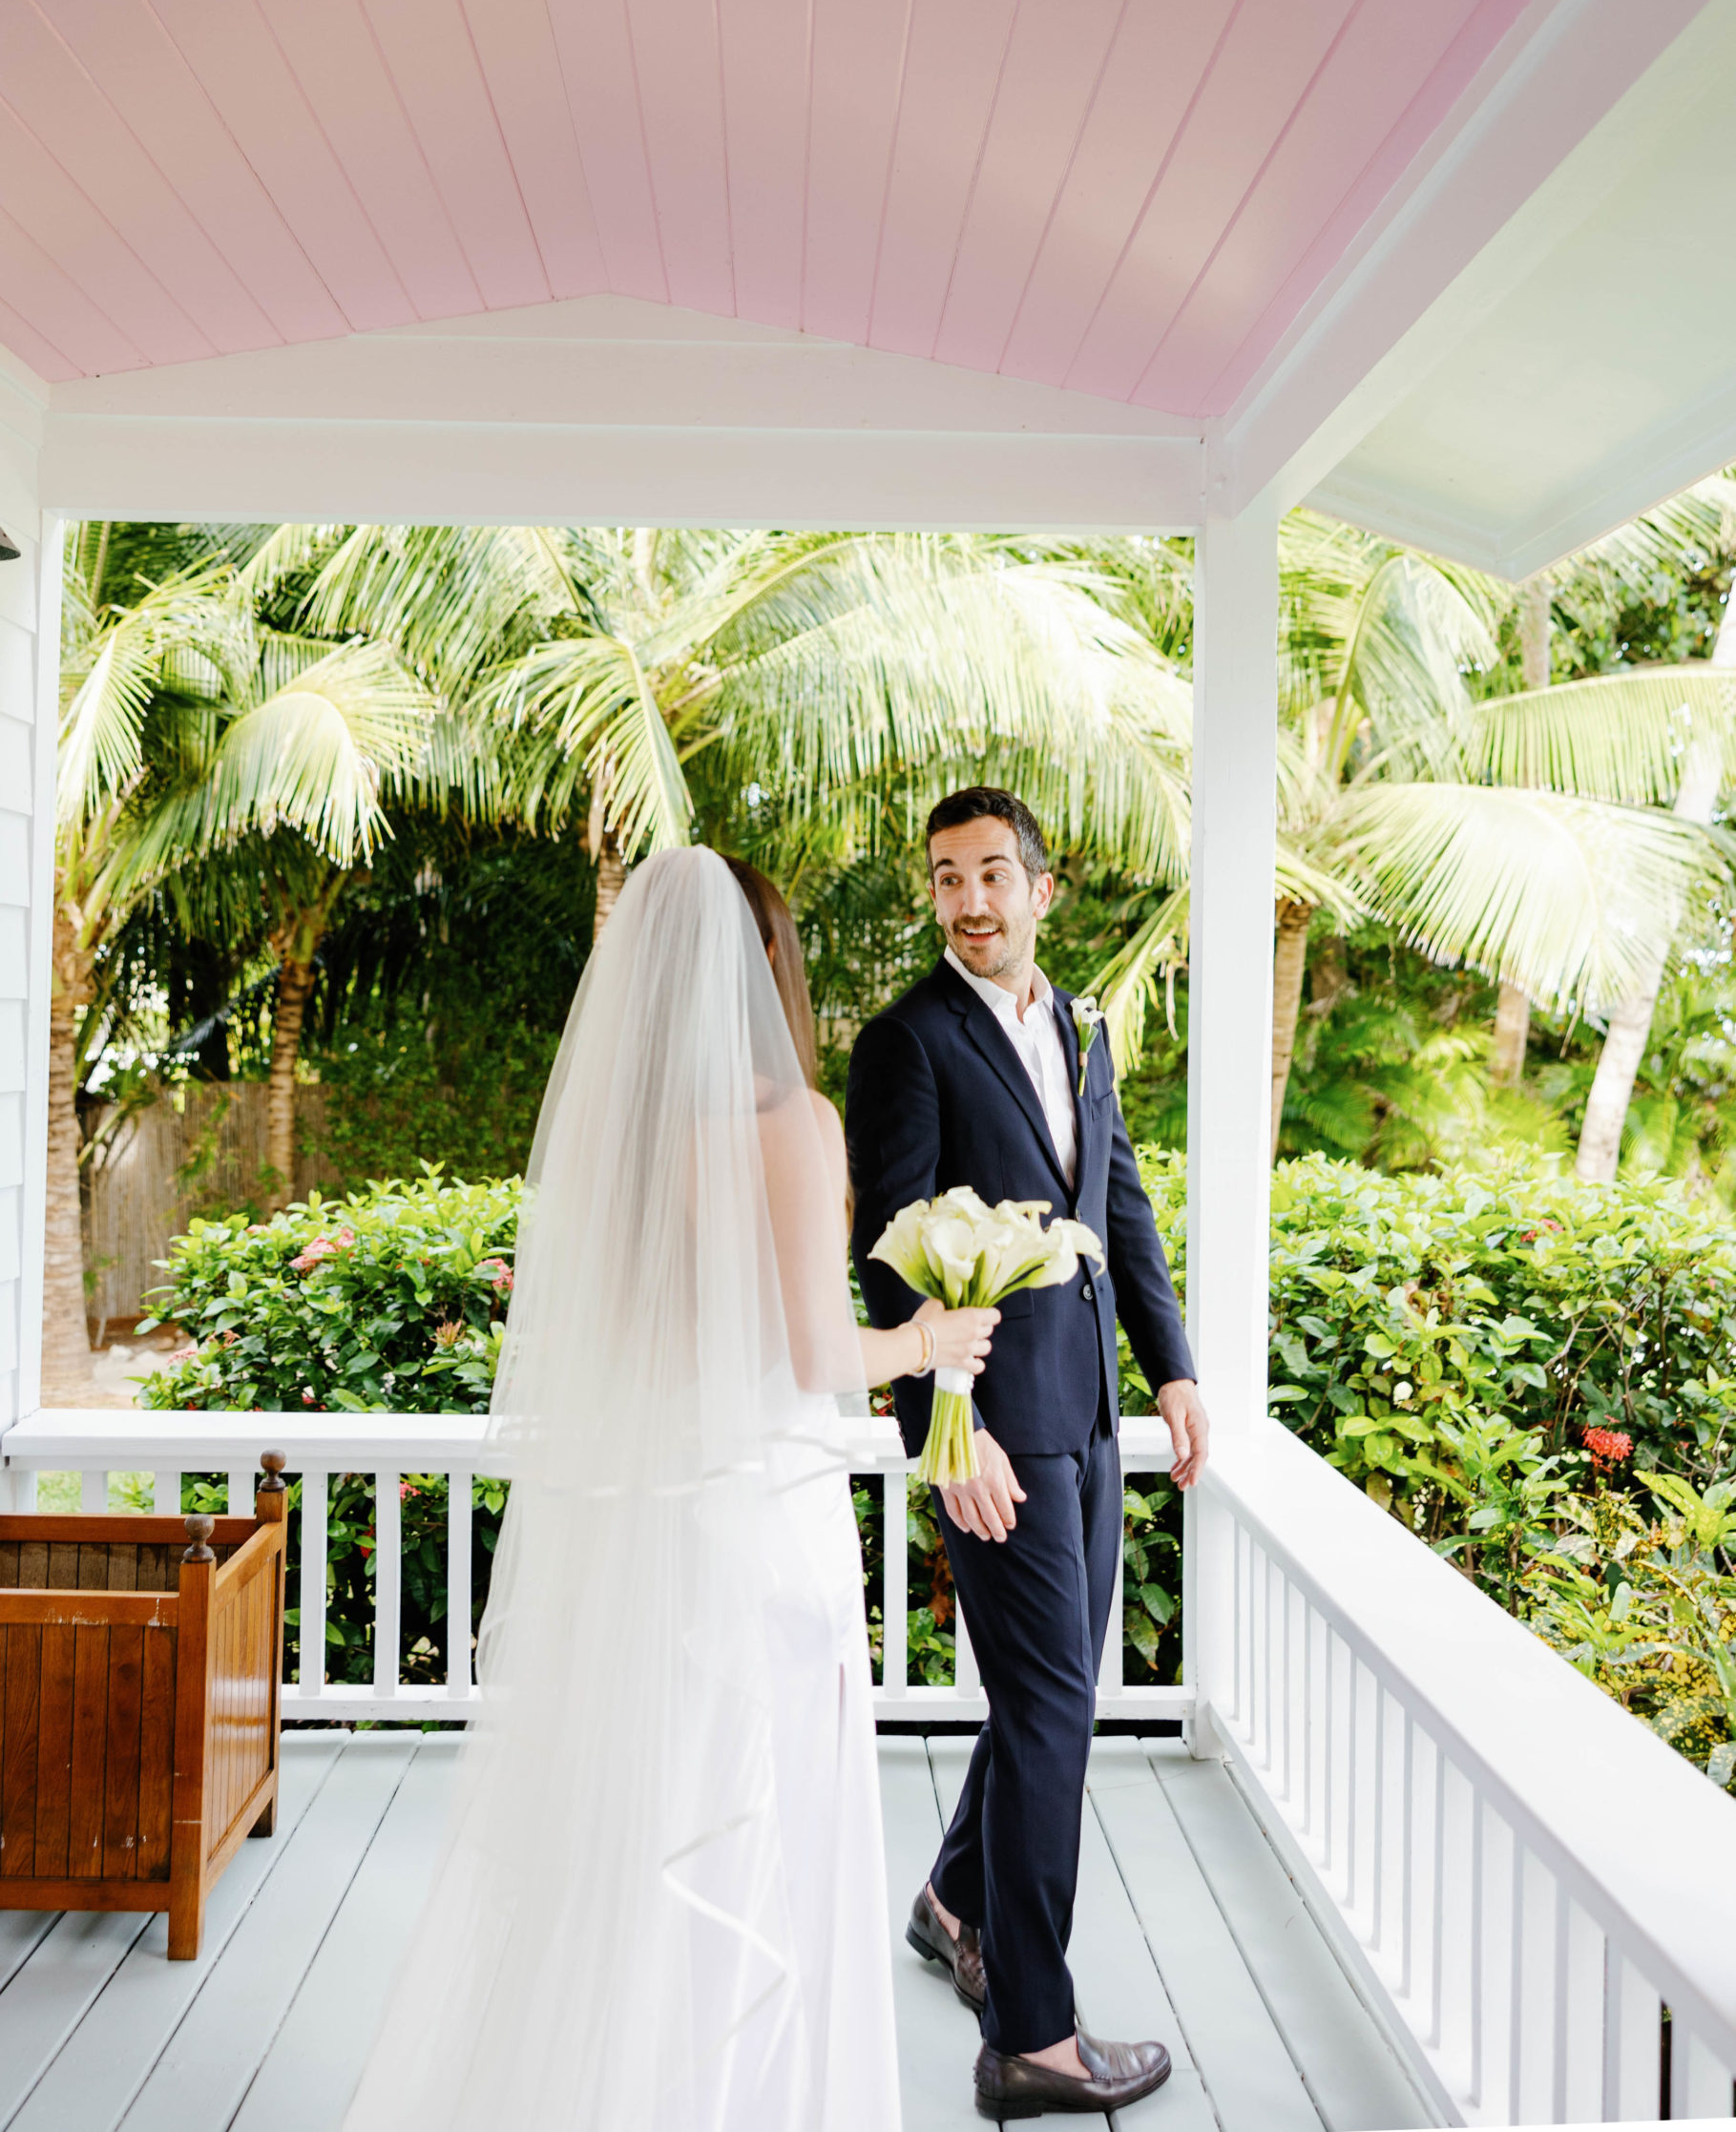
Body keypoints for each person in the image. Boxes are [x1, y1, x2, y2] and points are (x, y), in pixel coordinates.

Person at [344, 847, 987, 2132]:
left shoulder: (620, 1147)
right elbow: (815, 1355)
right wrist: (929, 1343)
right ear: (766, 971)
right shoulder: (790, 1126)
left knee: (643, 1850)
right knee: (772, 1845)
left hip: (648, 1539)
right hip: (762, 1538)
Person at [847, 788, 1210, 2122]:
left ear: (1043, 888)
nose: (970, 902)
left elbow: (1117, 1201)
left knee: (1043, 1696)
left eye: (992, 874)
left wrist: (1170, 1365)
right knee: (1058, 1708)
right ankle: (1032, 2037)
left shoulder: (1083, 1025)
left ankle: (952, 1896)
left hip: (1094, 1421)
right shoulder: (906, 1043)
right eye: (946, 880)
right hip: (991, 1437)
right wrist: (949, 1436)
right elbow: (891, 1257)